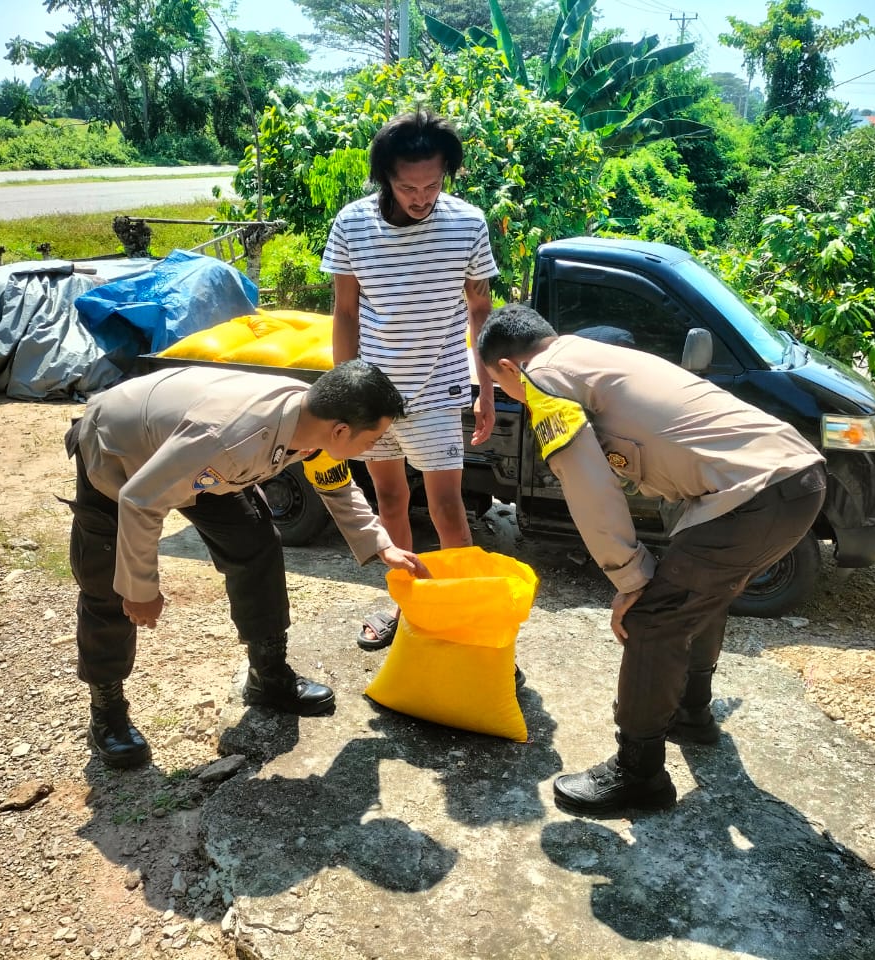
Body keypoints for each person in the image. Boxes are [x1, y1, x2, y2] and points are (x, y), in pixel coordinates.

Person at [476, 304, 827, 817]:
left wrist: (629, 577)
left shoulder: (543, 381)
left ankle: (638, 773)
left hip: (751, 494)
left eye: (497, 384)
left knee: (652, 619)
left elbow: (587, 485)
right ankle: (691, 713)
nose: (509, 393)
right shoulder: (593, 354)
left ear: (508, 367)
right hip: (794, 480)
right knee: (698, 595)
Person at [64, 360, 429, 770]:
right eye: (374, 437)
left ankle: (268, 675)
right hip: (121, 449)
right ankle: (107, 710)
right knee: (107, 582)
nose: (375, 447)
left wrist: (381, 546)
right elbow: (141, 499)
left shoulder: (313, 423)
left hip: (194, 455)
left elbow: (335, 484)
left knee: (256, 542)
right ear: (341, 430)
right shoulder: (227, 440)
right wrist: (139, 590)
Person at [322, 109, 499, 652]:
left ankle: (465, 617)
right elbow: (346, 312)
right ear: (384, 179)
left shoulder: (467, 223)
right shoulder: (352, 224)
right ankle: (409, 606)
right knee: (390, 500)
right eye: (407, 187)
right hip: (374, 393)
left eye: (432, 184)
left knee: (449, 507)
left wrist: (485, 386)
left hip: (439, 387)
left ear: (447, 173)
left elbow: (480, 308)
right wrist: (343, 392)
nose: (420, 197)